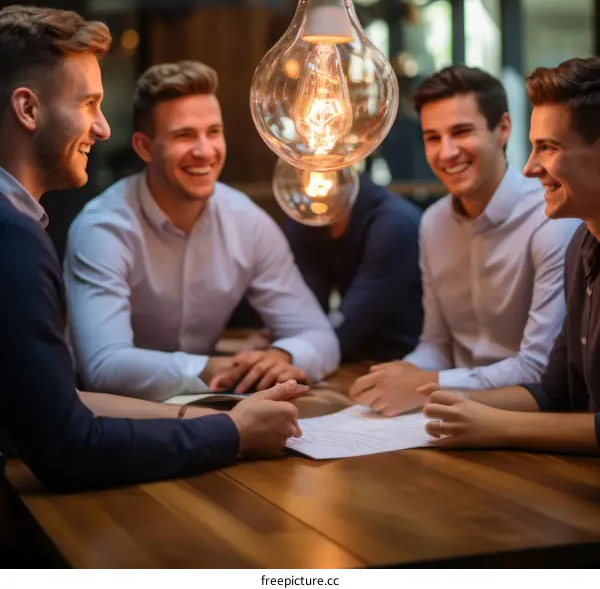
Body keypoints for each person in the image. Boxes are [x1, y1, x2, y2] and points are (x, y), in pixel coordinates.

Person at [0, 5, 306, 493]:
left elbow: (61, 403)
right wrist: (230, 431)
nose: (102, 129)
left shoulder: (18, 226)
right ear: (28, 108)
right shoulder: (14, 236)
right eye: (88, 104)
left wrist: (209, 415)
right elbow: (68, 446)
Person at [64, 60, 340, 402]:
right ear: (144, 147)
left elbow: (319, 335)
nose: (205, 151)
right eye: (184, 135)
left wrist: (282, 358)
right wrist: (215, 368)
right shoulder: (103, 228)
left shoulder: (247, 222)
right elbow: (104, 367)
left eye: (213, 132)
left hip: (211, 407)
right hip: (105, 417)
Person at [350, 65, 579, 416]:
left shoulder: (551, 221)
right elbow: (436, 344)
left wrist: (429, 383)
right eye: (432, 137)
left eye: (461, 132)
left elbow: (539, 367)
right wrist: (398, 374)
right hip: (449, 412)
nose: (446, 152)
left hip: (526, 414)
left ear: (503, 128)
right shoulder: (432, 223)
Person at [421, 58, 600, 454]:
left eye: (549, 148)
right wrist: (444, 399)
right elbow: (554, 391)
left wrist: (497, 425)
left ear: (501, 129)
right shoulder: (582, 245)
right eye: (534, 147)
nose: (531, 167)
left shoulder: (558, 230)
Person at [284, 172, 423, 362]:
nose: (315, 186)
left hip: (401, 356)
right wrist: (280, 340)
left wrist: (290, 352)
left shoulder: (393, 223)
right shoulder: (307, 218)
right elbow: (308, 304)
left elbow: (356, 318)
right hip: (348, 353)